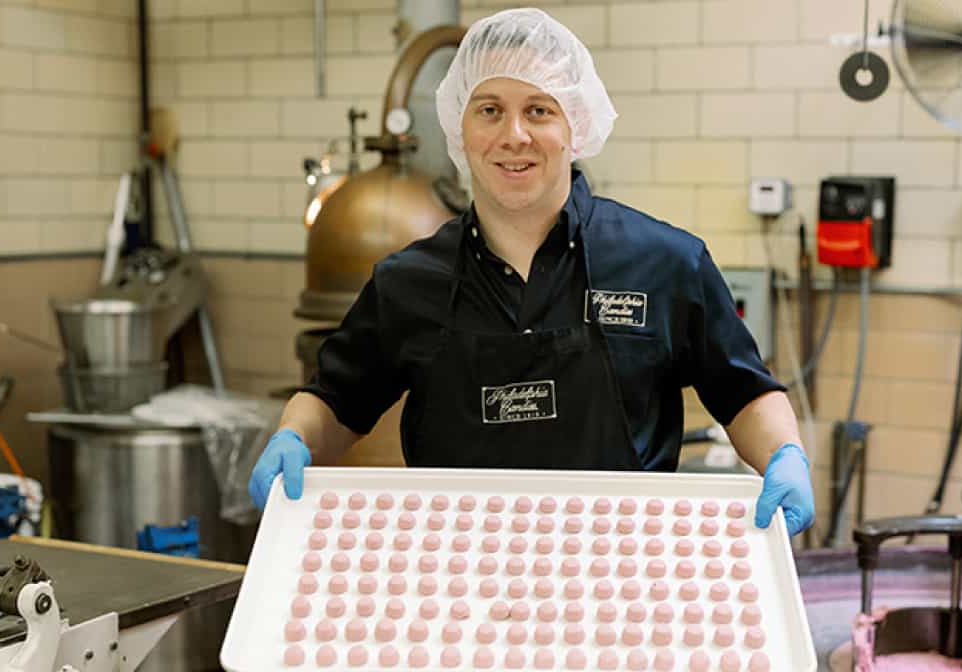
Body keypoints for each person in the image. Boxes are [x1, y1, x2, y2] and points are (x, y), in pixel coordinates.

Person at [249, 8, 814, 536]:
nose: (513, 135)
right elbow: (336, 400)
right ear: (460, 130)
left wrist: (785, 455)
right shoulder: (408, 282)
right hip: (455, 573)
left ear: (576, 125)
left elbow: (744, 394)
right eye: (490, 109)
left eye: (538, 110)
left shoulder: (665, 262)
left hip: (621, 572)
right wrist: (294, 437)